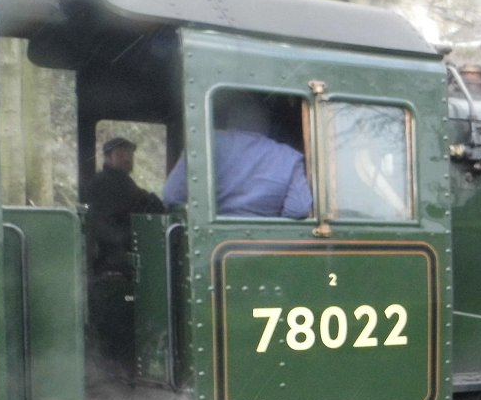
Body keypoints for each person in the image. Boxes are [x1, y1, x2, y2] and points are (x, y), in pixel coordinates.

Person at [162, 95, 313, 219]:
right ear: (267, 122)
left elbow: (171, 195)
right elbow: (298, 209)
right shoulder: (290, 157)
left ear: (230, 120)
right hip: (268, 247)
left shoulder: (204, 143)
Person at [80, 136, 164, 278]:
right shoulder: (104, 182)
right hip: (114, 256)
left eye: (130, 155)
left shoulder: (122, 180)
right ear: (107, 158)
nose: (127, 159)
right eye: (120, 155)